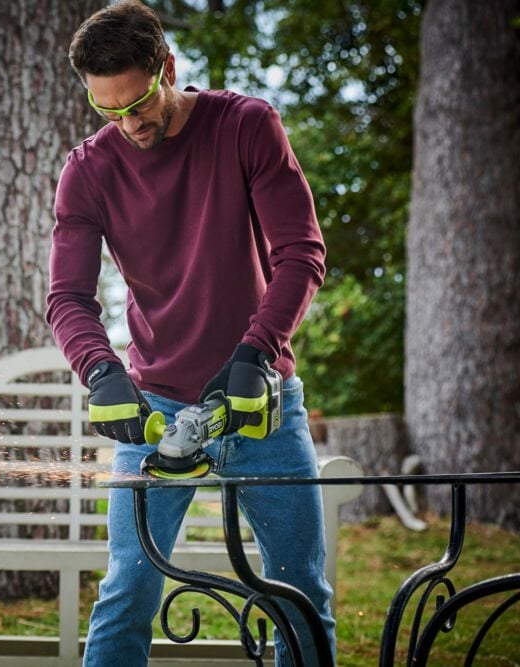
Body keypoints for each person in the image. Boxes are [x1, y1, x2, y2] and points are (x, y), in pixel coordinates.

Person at [44, 1, 333, 665]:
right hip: (160, 407)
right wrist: (100, 371)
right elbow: (68, 297)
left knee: (301, 596)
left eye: (139, 101)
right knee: (126, 591)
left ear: (168, 67)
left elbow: (301, 253)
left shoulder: (247, 126)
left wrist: (257, 354)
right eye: (107, 108)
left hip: (263, 405)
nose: (129, 122)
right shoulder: (87, 170)